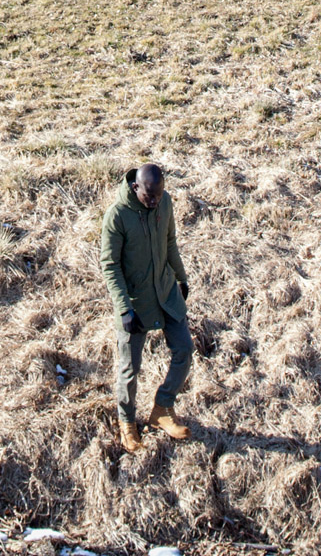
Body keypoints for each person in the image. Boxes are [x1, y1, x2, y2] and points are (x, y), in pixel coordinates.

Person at [99, 162, 192, 451]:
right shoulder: (117, 216)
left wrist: (181, 277)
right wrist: (124, 308)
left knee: (185, 349)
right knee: (130, 368)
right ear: (135, 187)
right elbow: (110, 265)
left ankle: (162, 409)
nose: (154, 202)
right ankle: (126, 421)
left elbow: (170, 242)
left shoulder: (164, 201)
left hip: (165, 292)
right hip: (135, 303)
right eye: (148, 196)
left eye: (158, 195)